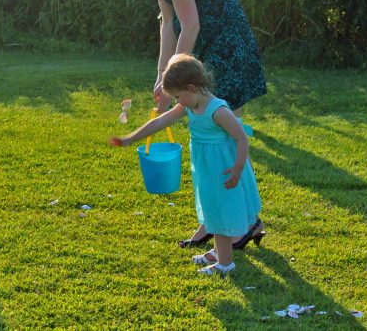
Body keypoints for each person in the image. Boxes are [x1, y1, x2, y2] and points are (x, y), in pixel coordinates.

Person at [103, 0, 267, 249]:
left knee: (222, 141)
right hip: (202, 53)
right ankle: (217, 222)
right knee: (212, 141)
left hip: (226, 49)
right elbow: (168, 23)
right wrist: (162, 76)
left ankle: (245, 223)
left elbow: (190, 24)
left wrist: (174, 76)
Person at [110, 55, 264, 275]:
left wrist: (239, 169)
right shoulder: (189, 106)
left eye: (178, 96)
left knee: (221, 211)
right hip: (206, 168)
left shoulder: (218, 110)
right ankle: (219, 252)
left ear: (192, 88)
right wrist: (129, 139)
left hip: (224, 168)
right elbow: (160, 121)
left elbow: (242, 138)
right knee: (212, 207)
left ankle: (226, 264)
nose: (177, 102)